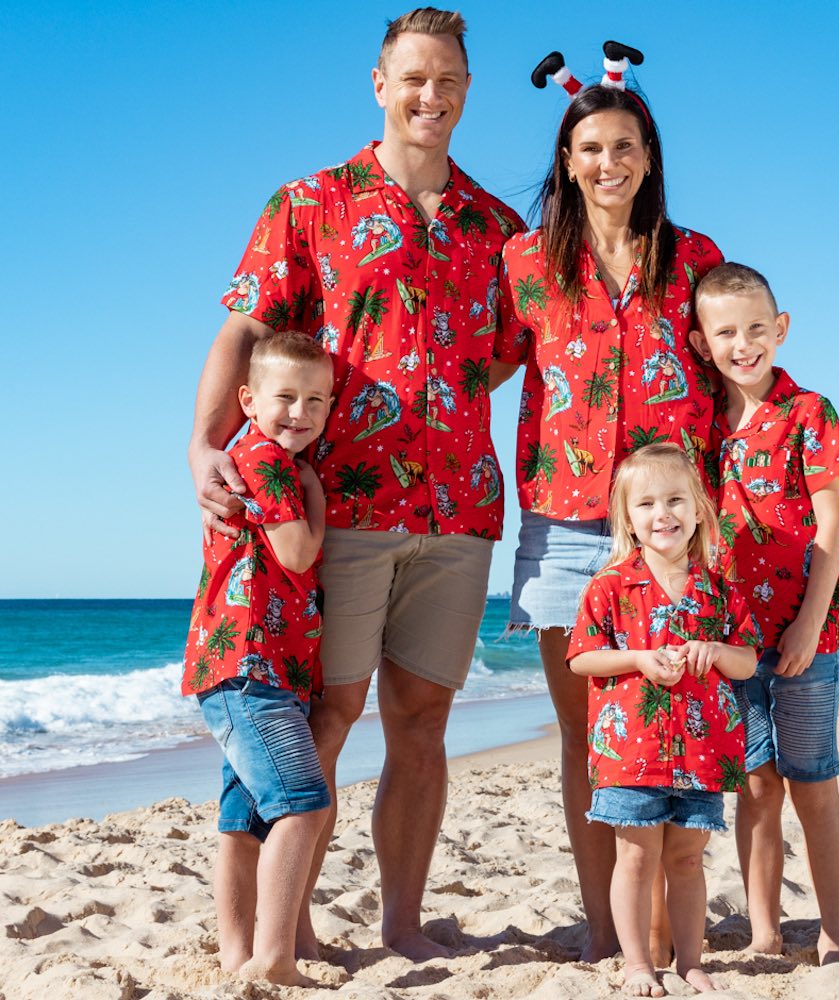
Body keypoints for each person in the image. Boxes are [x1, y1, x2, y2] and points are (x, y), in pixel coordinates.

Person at [188, 8, 522, 961]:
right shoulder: (309, 202)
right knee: (327, 717)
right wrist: (200, 447)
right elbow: (244, 335)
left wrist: (433, 397)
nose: (431, 96)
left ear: (467, 91)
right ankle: (281, 933)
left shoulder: (495, 228)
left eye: (448, 81)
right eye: (414, 78)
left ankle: (404, 924)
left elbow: (497, 359)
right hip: (339, 509)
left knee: (423, 724)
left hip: (458, 511)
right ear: (380, 84)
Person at [491, 73, 722, 961]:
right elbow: (474, 363)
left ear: (649, 155)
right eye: (591, 148)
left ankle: (667, 926)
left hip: (673, 530)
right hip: (565, 526)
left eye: (625, 145)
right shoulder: (526, 261)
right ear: (567, 160)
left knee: (669, 731)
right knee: (592, 739)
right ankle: (608, 930)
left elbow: (732, 370)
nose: (609, 161)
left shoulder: (694, 255)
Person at [690, 262, 839, 965]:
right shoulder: (701, 428)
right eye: (726, 332)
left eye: (757, 328)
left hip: (807, 635)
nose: (744, 343)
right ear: (701, 343)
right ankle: (763, 930)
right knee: (756, 784)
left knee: (812, 780)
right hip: (732, 642)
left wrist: (809, 625)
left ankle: (837, 934)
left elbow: (833, 523)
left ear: (780, 329)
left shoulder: (809, 413)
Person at [568, 443, 760, 995]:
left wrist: (714, 650)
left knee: (687, 860)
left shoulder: (717, 588)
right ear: (628, 518)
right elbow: (581, 656)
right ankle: (636, 965)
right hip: (631, 753)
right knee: (634, 858)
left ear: (699, 508)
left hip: (703, 752)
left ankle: (691, 962)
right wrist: (636, 659)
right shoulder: (609, 586)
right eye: (647, 504)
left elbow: (746, 659)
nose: (663, 514)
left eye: (676, 500)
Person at [181, 333, 334, 986]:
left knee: (242, 824)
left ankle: (236, 956)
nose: (299, 413)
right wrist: (319, 497)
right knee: (303, 806)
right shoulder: (269, 462)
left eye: (316, 401)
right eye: (285, 398)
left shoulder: (262, 457)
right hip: (253, 670)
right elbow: (298, 554)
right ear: (247, 399)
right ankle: (273, 958)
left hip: (248, 667)